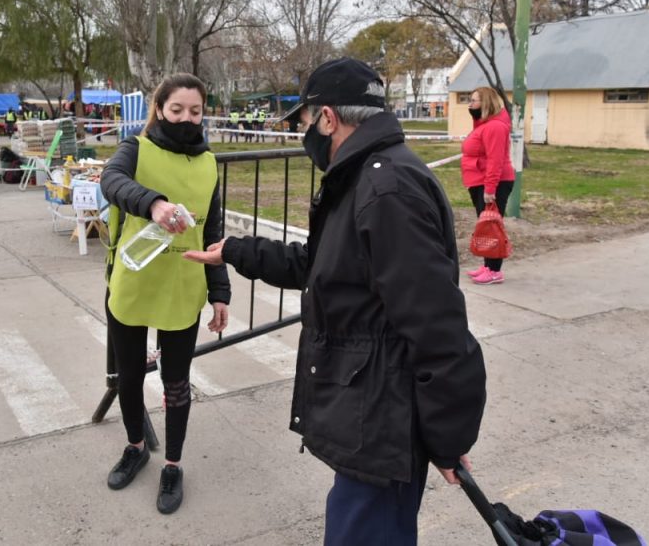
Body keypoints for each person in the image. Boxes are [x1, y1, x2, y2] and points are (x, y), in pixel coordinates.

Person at [184, 58, 487, 545]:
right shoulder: (364, 176)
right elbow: (320, 264)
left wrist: (448, 439)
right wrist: (236, 250)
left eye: (304, 121)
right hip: (370, 416)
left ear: (327, 118)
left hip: (382, 424)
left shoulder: (385, 189)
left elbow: (438, 328)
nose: (304, 134)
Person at [99, 72, 231, 515]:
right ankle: (136, 445)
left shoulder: (210, 162)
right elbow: (111, 181)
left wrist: (220, 292)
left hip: (183, 285)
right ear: (160, 109)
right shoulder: (136, 149)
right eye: (177, 110)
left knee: (177, 382)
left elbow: (213, 231)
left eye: (195, 111)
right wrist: (154, 203)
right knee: (130, 374)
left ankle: (172, 464)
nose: (187, 119)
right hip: (134, 281)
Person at [461, 86, 516, 285]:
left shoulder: (495, 127)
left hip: (493, 183)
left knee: (492, 226)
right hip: (480, 181)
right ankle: (487, 265)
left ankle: (494, 271)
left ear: (485, 103)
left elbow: (495, 160)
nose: (470, 104)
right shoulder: (486, 124)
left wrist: (490, 189)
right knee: (485, 225)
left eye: (474, 101)